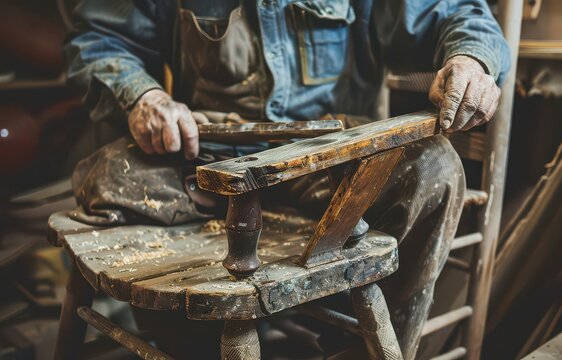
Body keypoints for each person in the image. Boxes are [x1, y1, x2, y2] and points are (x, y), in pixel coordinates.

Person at [65, 0, 510, 358]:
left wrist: (470, 58)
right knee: (108, 176)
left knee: (435, 168)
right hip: (211, 159)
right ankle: (192, 344)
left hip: (335, 162)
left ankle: (353, 349)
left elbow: (452, 10)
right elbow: (101, 38)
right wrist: (143, 96)